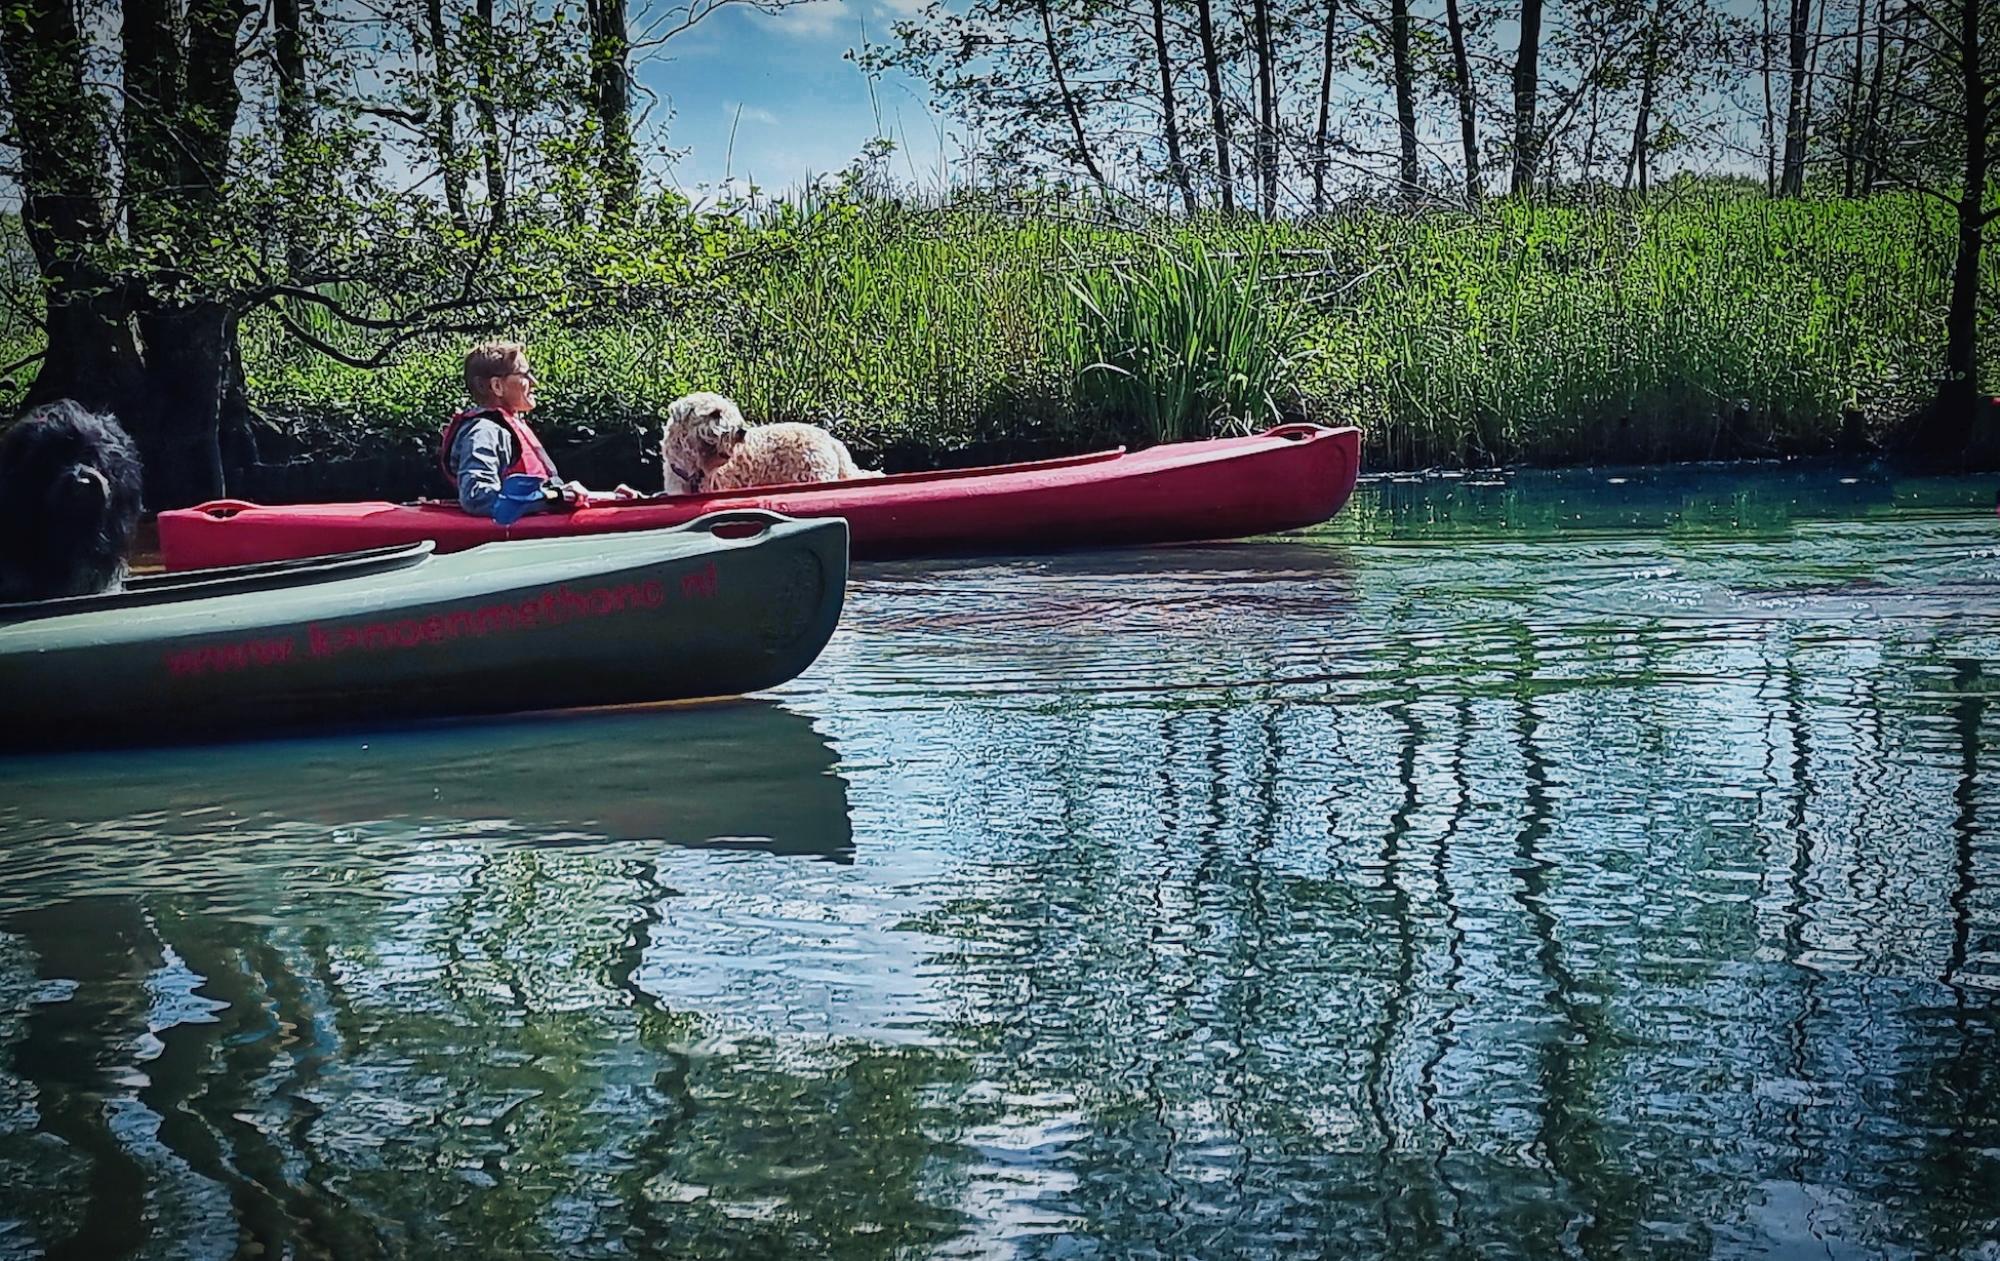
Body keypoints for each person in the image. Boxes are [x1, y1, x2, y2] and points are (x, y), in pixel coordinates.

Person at [440, 341, 636, 519]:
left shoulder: (504, 426)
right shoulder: (484, 431)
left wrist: (611, 498)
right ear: (497, 386)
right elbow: (478, 496)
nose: (534, 382)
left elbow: (549, 495)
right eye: (524, 375)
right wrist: (558, 496)